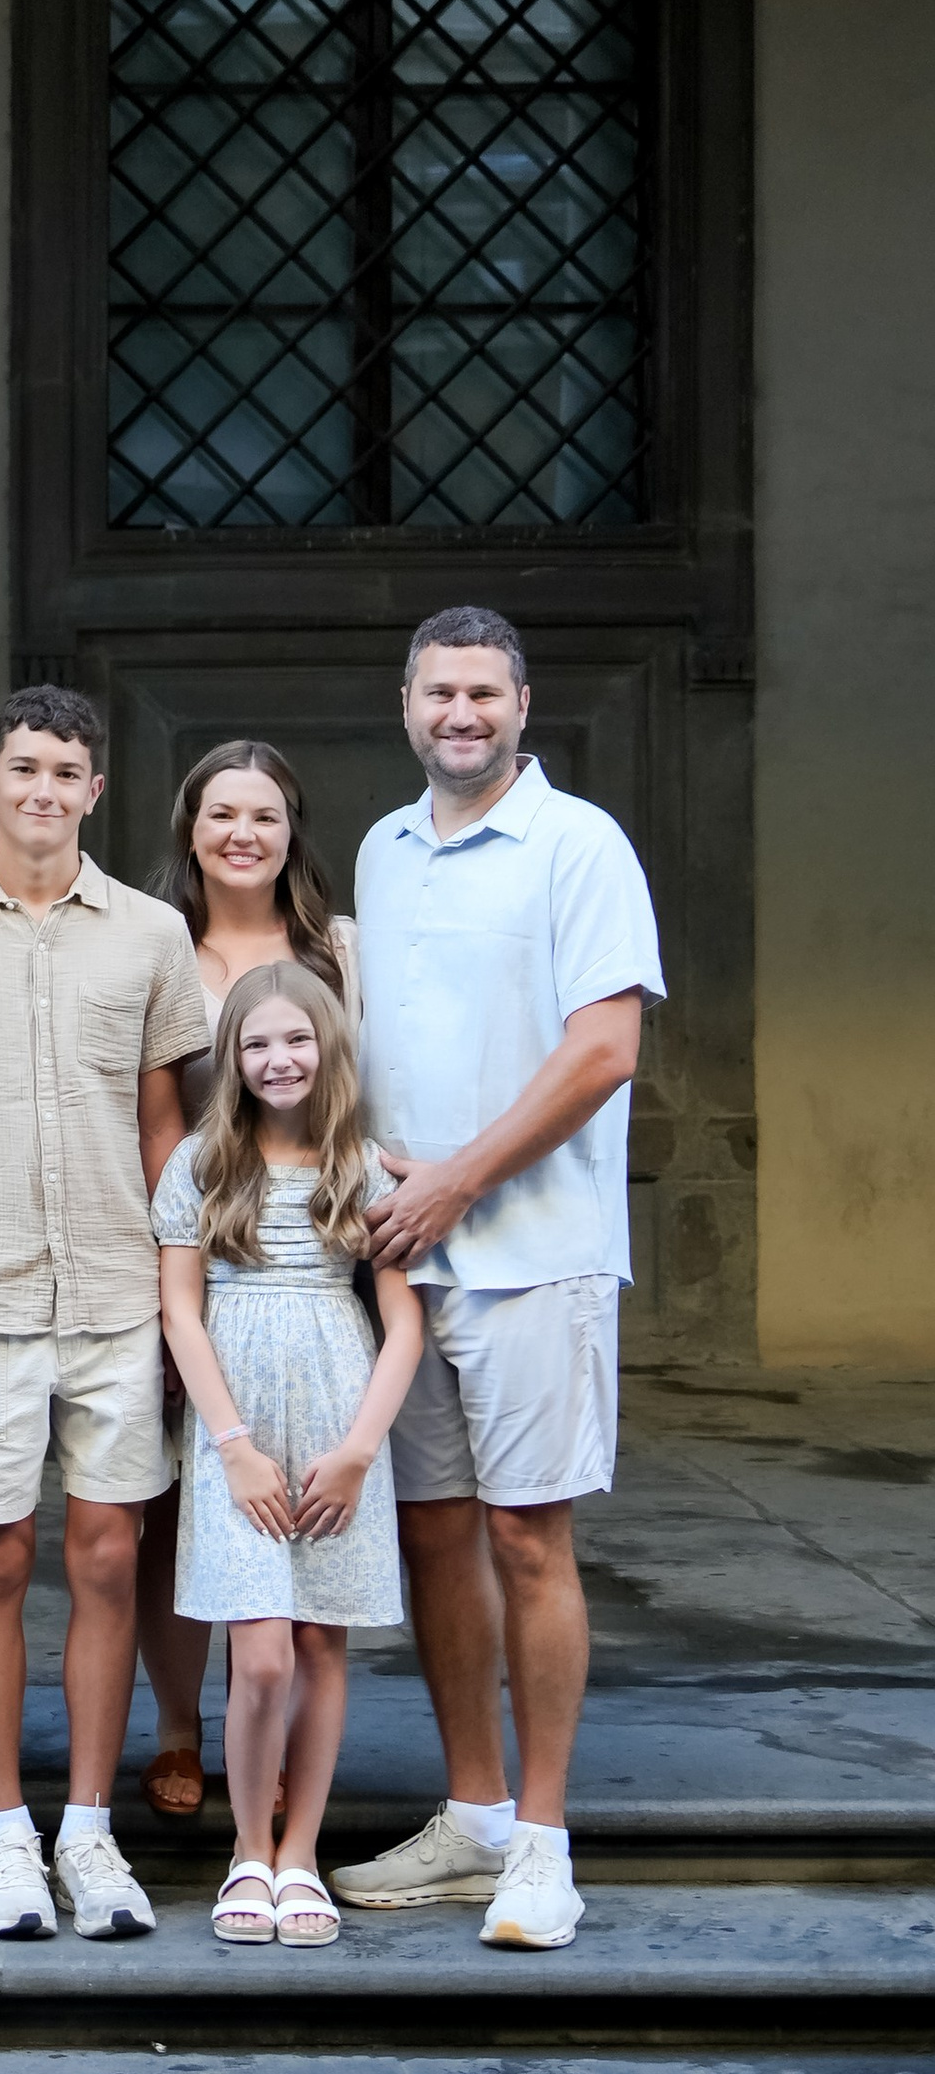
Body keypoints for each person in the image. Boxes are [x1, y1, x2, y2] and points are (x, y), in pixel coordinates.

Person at [329, 605, 663, 1952]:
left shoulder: (580, 846)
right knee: (433, 1540)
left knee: (530, 1538)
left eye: (483, 693)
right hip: (412, 1264)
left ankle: (541, 1843)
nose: (458, 715)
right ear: (404, 705)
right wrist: (369, 1170)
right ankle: (470, 1814)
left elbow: (603, 1052)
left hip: (537, 1259)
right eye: (436, 693)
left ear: (524, 705)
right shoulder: (384, 850)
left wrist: (458, 1177)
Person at [0, 685, 208, 1942]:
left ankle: (89, 1829)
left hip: (119, 1290)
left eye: (66, 771)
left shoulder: (148, 936)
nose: (43, 791)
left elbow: (162, 1120)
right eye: (24, 768)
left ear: (93, 789)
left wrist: (174, 1287)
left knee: (110, 1553)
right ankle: (4, 1834)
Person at [155, 967, 422, 1946]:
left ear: (329, 1049)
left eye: (297, 1041)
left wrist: (358, 1450)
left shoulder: (364, 1168)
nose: (279, 1060)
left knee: (318, 1641)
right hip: (241, 1428)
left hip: (336, 1417)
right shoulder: (200, 1165)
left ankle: (299, 1852)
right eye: (257, 1044)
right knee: (258, 1655)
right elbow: (181, 1311)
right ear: (232, 1058)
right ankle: (246, 1849)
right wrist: (230, 1446)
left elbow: (400, 1328)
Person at [135, 740, 359, 1821]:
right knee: (181, 1497)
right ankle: (182, 1728)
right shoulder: (151, 943)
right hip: (183, 1246)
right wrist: (165, 1264)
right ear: (190, 829)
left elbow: (363, 1090)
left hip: (302, 1259)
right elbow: (148, 1110)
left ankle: (265, 1744)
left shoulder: (333, 951)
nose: (241, 834)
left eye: (263, 816)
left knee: (289, 1499)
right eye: (221, 814)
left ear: (289, 832)